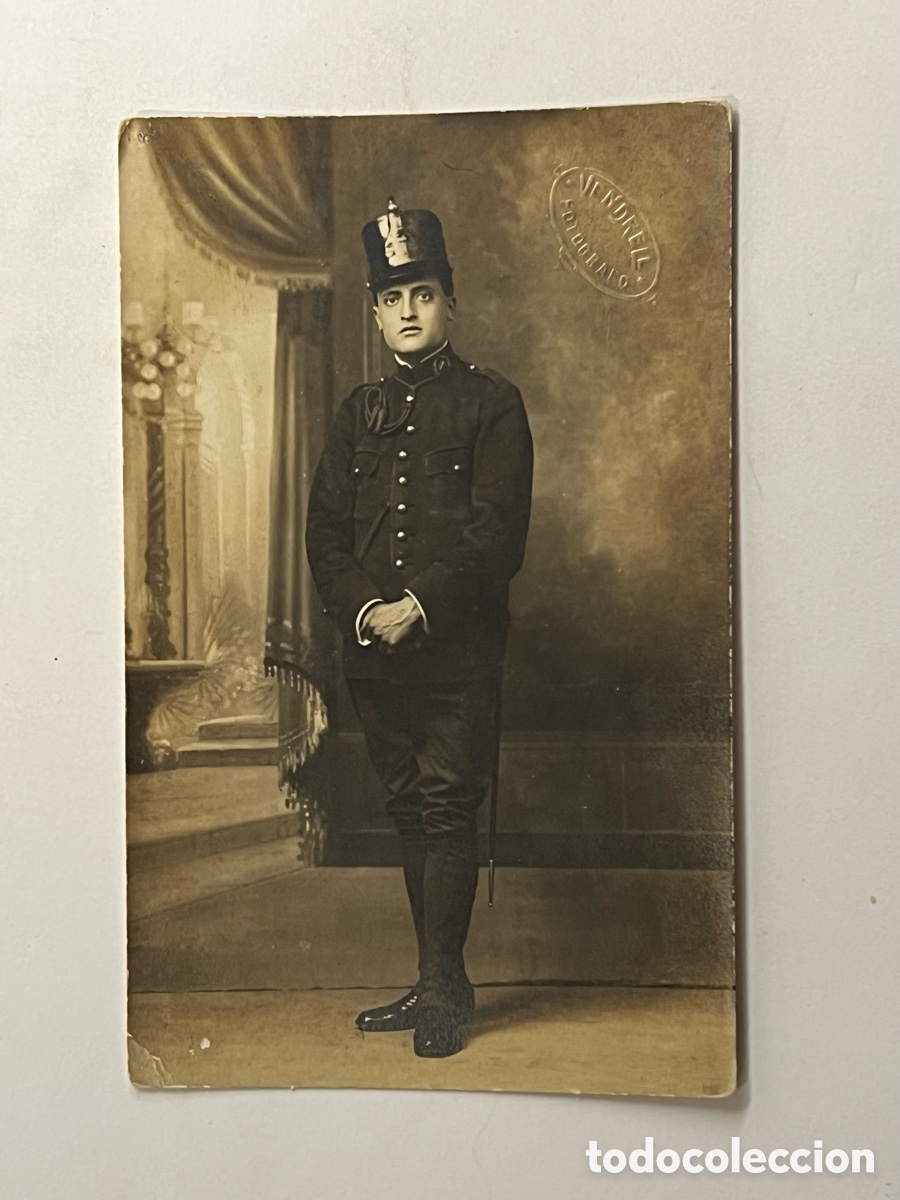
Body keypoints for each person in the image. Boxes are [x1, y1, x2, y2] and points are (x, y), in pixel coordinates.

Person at [305, 198, 533, 1057]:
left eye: (423, 293)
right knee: (409, 811)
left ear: (451, 303)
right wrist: (367, 609)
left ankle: (442, 990)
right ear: (374, 311)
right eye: (392, 296)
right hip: (374, 656)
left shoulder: (491, 405)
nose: (407, 310)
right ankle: (440, 974)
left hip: (458, 656)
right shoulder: (355, 412)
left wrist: (419, 607)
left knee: (444, 810)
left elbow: (497, 534)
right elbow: (324, 529)